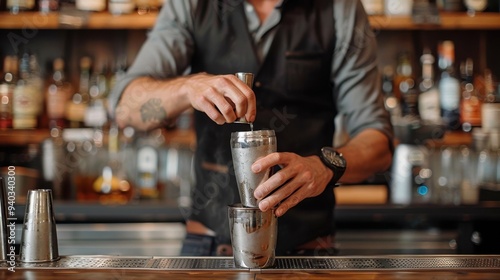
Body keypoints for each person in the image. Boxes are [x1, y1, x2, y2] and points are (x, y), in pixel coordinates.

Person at [109, 0, 393, 256]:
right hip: (209, 248)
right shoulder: (193, 5)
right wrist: (187, 87)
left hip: (306, 253)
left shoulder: (338, 9)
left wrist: (325, 166)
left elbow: (378, 143)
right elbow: (126, 109)